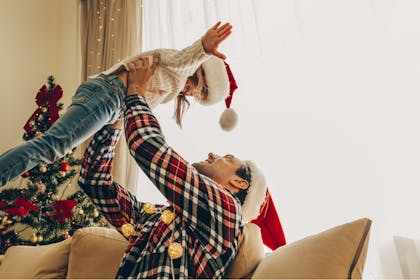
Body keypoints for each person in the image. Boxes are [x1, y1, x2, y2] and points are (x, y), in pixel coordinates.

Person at [78, 56, 268, 278]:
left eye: (227, 157)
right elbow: (94, 182)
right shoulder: (159, 218)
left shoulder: (227, 212)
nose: (211, 154)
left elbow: (149, 149)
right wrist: (114, 125)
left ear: (239, 182)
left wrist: (136, 94)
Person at [0, 22, 233, 187]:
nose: (193, 93)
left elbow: (135, 106)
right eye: (201, 86)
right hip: (108, 94)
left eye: (200, 95)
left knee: (51, 146)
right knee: (53, 147)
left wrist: (116, 123)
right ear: (199, 68)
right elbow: (184, 60)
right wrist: (202, 47)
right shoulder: (177, 65)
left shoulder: (169, 86)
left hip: (110, 102)